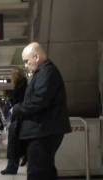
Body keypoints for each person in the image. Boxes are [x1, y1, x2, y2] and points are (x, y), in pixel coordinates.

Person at [11, 42, 72, 180]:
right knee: (46, 171)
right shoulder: (44, 72)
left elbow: (40, 100)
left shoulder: (46, 72)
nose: (26, 65)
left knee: (37, 172)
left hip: (44, 131)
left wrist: (17, 109)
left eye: (27, 61)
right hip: (44, 130)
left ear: (36, 57)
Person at [1, 67, 28, 175]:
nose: (11, 77)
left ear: (17, 75)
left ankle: (12, 167)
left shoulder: (21, 86)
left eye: (12, 75)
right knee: (16, 144)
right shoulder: (22, 85)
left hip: (18, 119)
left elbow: (19, 102)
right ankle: (23, 157)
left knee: (13, 144)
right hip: (19, 118)